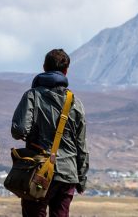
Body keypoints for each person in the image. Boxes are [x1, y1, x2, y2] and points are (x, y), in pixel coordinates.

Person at [11, 49, 89, 217]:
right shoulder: (76, 103)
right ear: (66, 71)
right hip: (67, 174)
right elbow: (82, 146)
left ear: (44, 68)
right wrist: (81, 179)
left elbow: (19, 130)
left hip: (39, 171)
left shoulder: (32, 95)